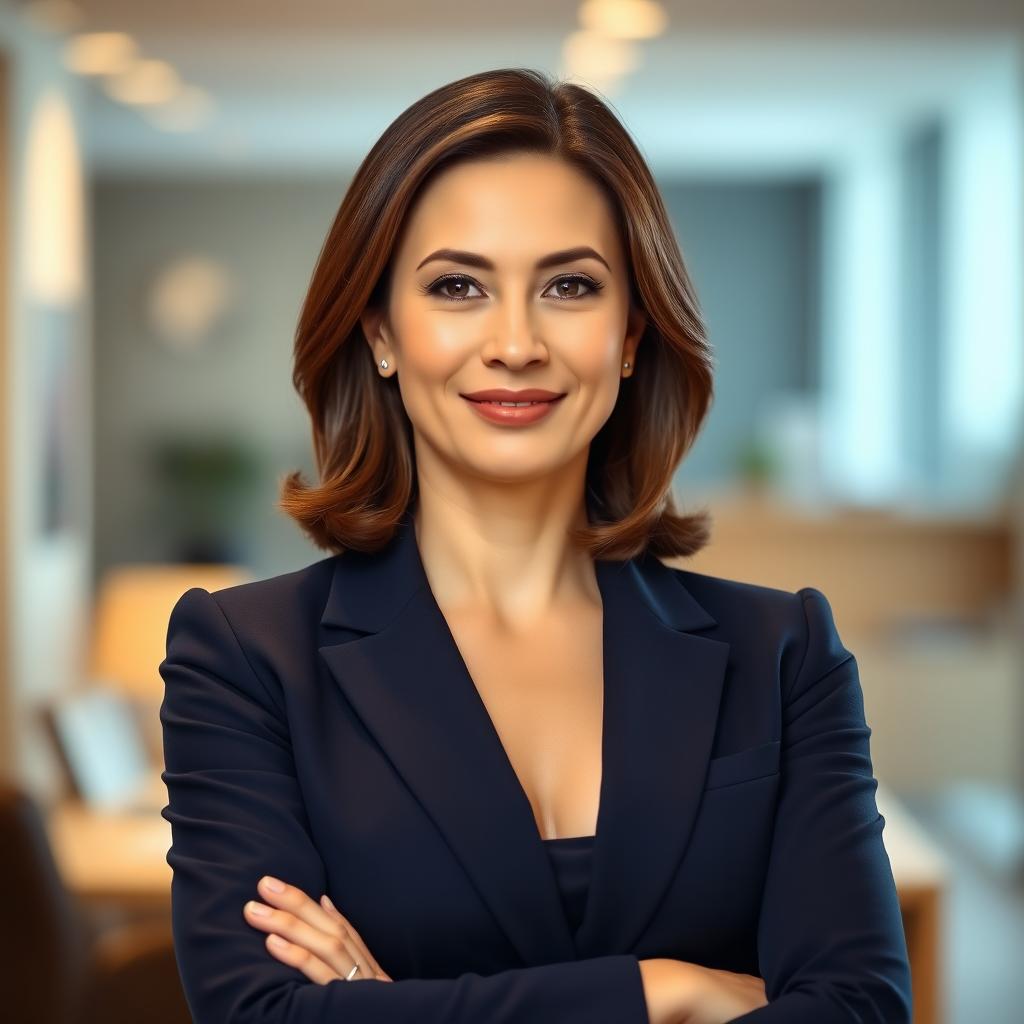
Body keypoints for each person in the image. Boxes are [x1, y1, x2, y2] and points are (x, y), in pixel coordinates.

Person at [159, 67, 912, 1024]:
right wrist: (662, 990)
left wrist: (389, 1004)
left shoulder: (785, 653)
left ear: (632, 333)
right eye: (458, 286)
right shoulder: (246, 657)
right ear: (382, 330)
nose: (515, 343)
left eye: (568, 285)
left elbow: (860, 1010)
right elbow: (258, 1015)